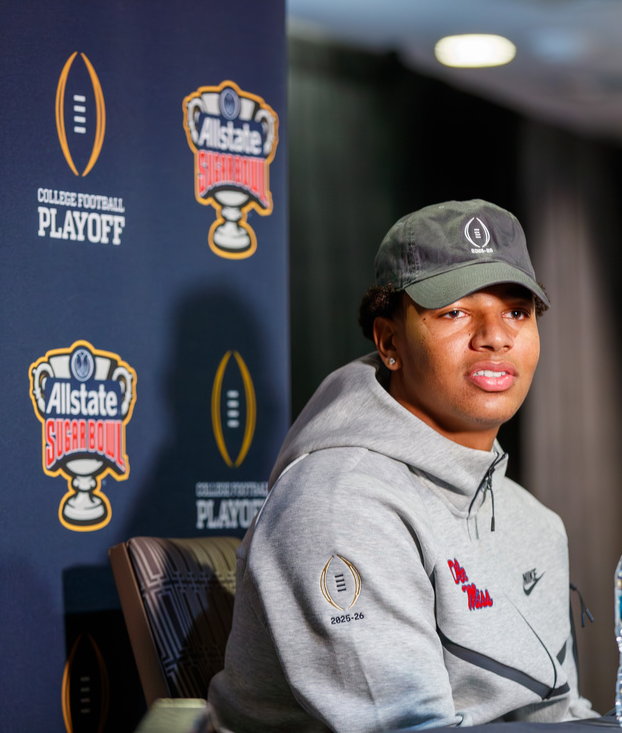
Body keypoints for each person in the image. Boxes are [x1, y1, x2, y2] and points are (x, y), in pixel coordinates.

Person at [207, 200, 596, 732]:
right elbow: (405, 726)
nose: (495, 336)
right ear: (390, 342)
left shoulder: (536, 523)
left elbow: (563, 716)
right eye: (456, 311)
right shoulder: (338, 503)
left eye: (517, 311)